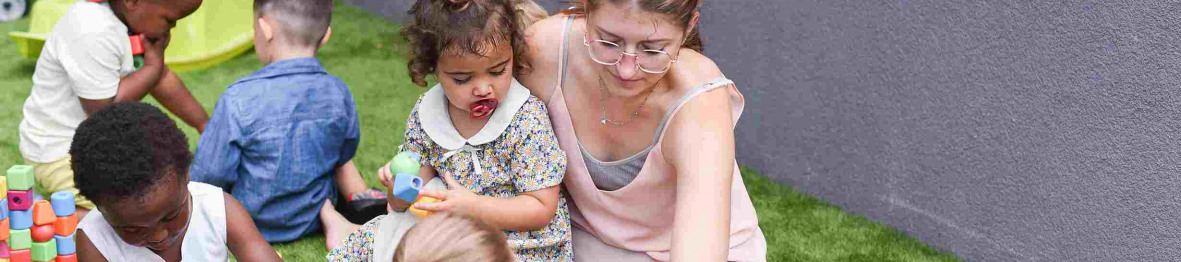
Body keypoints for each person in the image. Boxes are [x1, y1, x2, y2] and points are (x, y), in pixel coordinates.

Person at [518, 0, 768, 261]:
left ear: (688, 27)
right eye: (608, 42)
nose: (626, 70)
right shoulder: (544, 50)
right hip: (585, 242)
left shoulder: (699, 99)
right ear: (587, 12)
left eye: (652, 50)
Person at [322, 0, 569, 261]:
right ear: (433, 68)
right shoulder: (427, 114)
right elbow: (413, 195)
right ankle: (345, 232)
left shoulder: (525, 118)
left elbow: (541, 207)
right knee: (374, 240)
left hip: (514, 241)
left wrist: (473, 207)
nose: (483, 88)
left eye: (498, 71)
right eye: (463, 79)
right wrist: (400, 189)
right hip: (446, 228)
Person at [188, 0, 383, 243]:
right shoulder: (339, 92)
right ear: (326, 37)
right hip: (311, 218)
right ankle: (349, 207)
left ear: (264, 29)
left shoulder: (237, 98)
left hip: (247, 225)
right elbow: (343, 154)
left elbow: (209, 175)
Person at [18, 0, 210, 219]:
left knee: (156, 191)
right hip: (57, 153)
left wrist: (203, 123)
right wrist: (152, 67)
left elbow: (159, 79)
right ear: (132, 2)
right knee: (124, 213)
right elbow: (103, 110)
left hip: (100, 146)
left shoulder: (129, 20)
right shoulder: (92, 29)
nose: (171, 29)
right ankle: (44, 215)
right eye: (169, 20)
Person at [71, 102, 280, 262]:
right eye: (133, 229)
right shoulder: (94, 241)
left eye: (171, 216)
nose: (158, 236)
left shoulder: (218, 209)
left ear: (186, 176)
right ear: (100, 207)